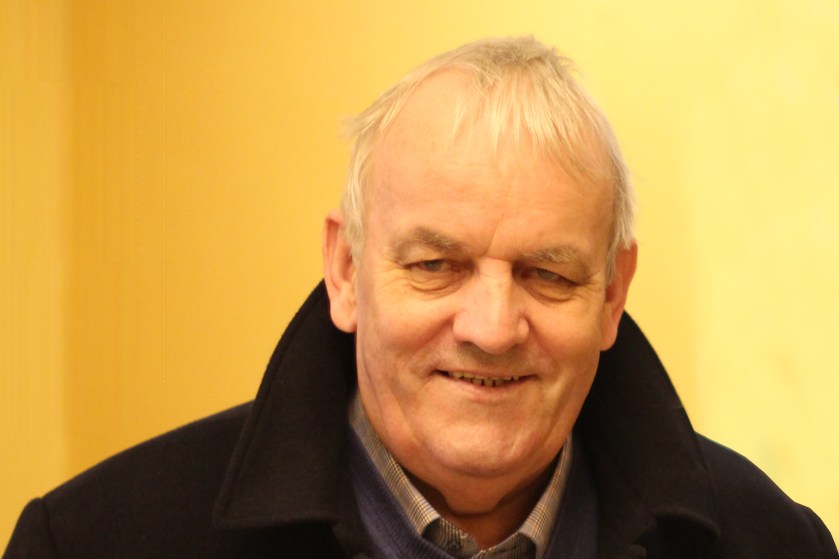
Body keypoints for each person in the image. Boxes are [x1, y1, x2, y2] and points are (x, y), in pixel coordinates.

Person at [4, 36, 836, 559]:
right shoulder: (92, 542)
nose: (491, 328)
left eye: (547, 274)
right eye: (436, 264)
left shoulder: (774, 545)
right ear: (345, 270)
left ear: (613, 292)